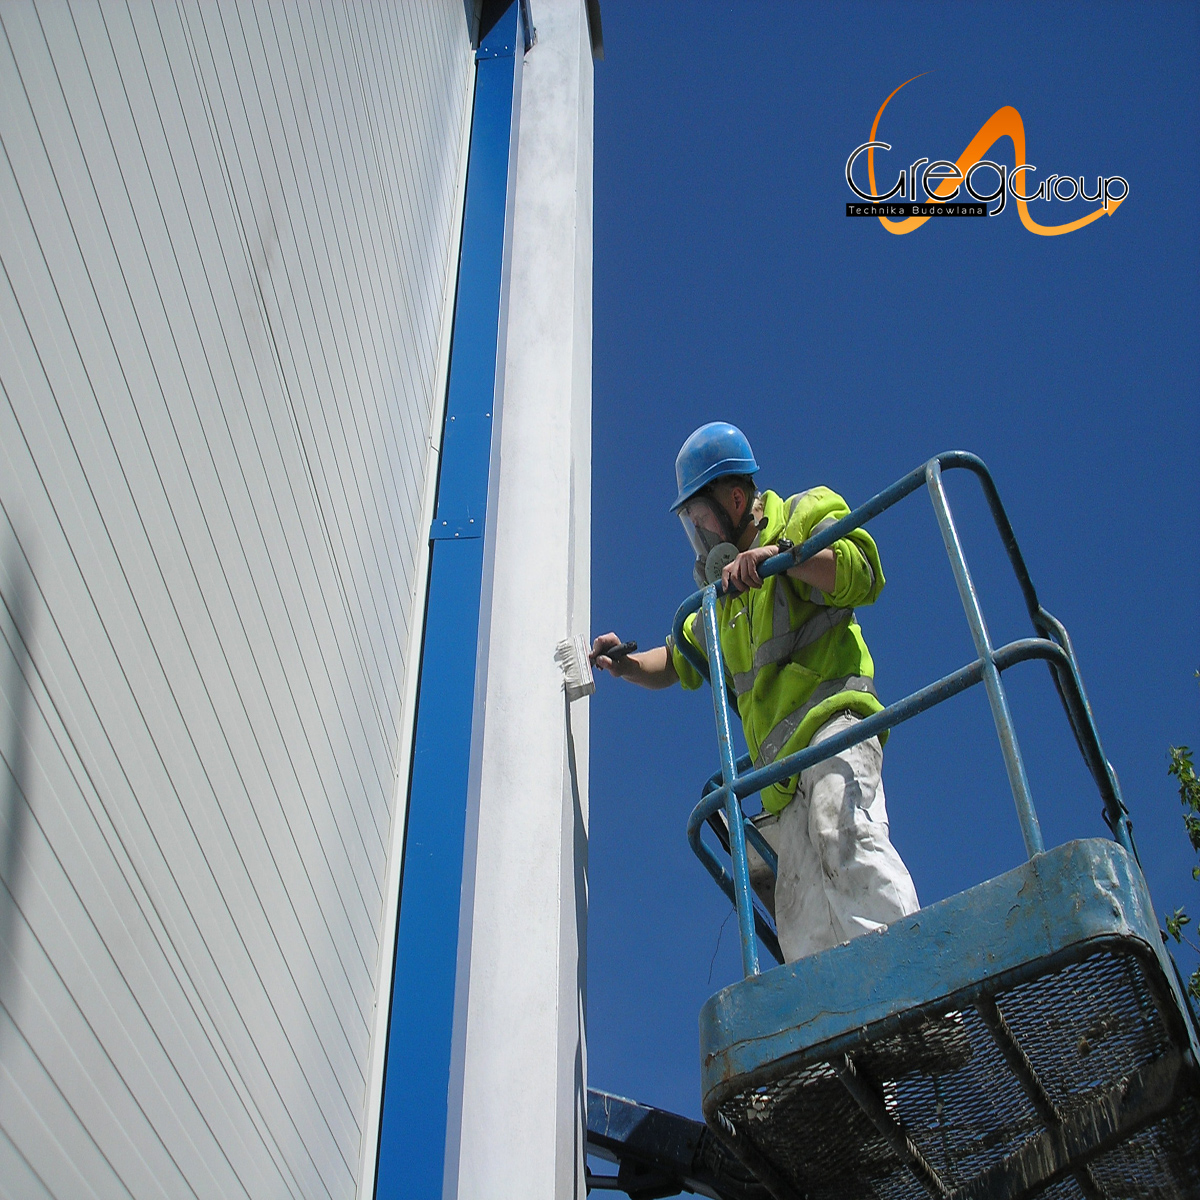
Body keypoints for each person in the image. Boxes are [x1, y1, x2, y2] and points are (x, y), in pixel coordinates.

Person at [592, 421, 920, 962]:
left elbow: (861, 573)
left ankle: (914, 973)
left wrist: (784, 557)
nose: (698, 534)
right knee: (798, 908)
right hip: (780, 775)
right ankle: (836, 1011)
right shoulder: (720, 601)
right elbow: (677, 658)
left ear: (736, 500)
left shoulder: (803, 514)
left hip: (834, 725)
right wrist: (624, 664)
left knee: (843, 834)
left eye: (699, 518)